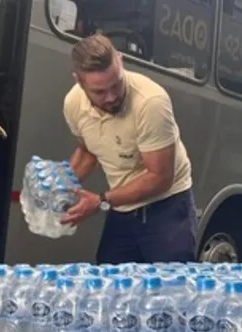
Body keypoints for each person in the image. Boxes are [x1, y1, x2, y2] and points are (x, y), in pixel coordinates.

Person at [59, 34, 198, 264]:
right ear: (79, 81)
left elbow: (160, 177)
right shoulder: (73, 104)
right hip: (122, 207)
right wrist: (62, 189)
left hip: (167, 207)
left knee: (169, 291)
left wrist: (100, 200)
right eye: (100, 92)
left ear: (121, 62)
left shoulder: (151, 102)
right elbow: (87, 150)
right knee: (111, 285)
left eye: (116, 84)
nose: (112, 97)